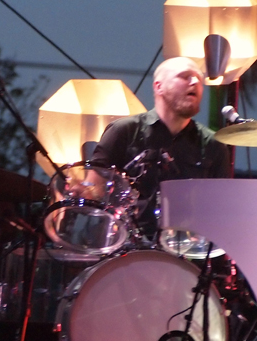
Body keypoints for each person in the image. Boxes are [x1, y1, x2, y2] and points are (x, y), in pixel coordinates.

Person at [91, 56, 230, 233]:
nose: (195, 82)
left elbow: (220, 210)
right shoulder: (124, 131)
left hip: (185, 253)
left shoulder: (213, 145)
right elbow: (93, 192)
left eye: (199, 79)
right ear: (159, 87)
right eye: (184, 76)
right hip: (126, 249)